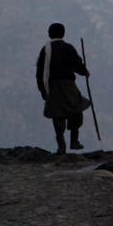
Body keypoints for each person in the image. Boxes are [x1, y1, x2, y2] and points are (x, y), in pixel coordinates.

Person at [36, 22, 91, 154]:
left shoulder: (46, 49)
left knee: (57, 114)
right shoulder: (68, 48)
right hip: (69, 85)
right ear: (63, 33)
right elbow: (77, 64)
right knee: (76, 109)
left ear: (49, 34)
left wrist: (43, 91)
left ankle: (61, 145)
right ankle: (74, 140)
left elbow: (40, 73)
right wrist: (84, 71)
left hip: (53, 86)